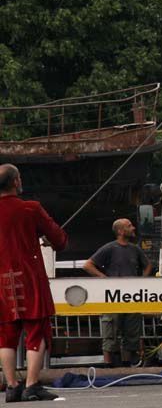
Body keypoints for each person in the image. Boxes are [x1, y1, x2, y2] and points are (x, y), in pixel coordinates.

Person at [0, 164, 68, 402]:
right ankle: (32, 384)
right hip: (29, 277)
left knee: (5, 334)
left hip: (1, 279)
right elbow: (58, 239)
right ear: (16, 182)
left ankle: (11, 386)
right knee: (36, 330)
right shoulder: (31, 208)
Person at [82, 218, 153, 366]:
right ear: (120, 231)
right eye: (129, 226)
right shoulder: (109, 248)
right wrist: (104, 278)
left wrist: (142, 280)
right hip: (113, 298)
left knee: (132, 331)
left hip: (132, 297)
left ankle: (128, 364)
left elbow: (148, 265)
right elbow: (88, 265)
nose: (133, 228)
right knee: (110, 330)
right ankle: (109, 365)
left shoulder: (135, 249)